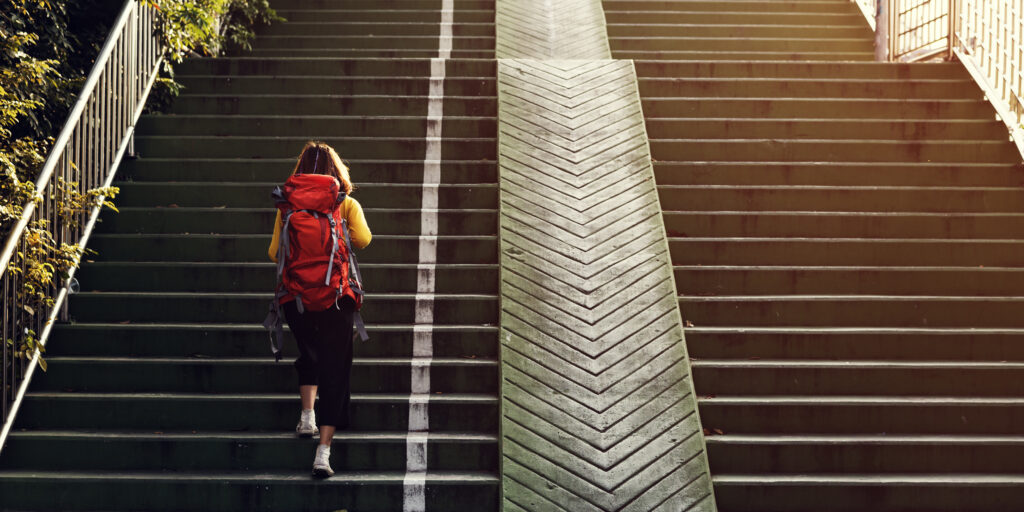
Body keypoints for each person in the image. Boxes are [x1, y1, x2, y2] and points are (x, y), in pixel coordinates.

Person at [267, 141, 371, 478]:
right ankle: (322, 453)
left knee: (309, 353)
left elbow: (273, 253)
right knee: (335, 369)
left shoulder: (286, 207)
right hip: (335, 298)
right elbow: (364, 239)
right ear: (335, 171)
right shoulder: (346, 203)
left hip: (295, 298)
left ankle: (307, 416)